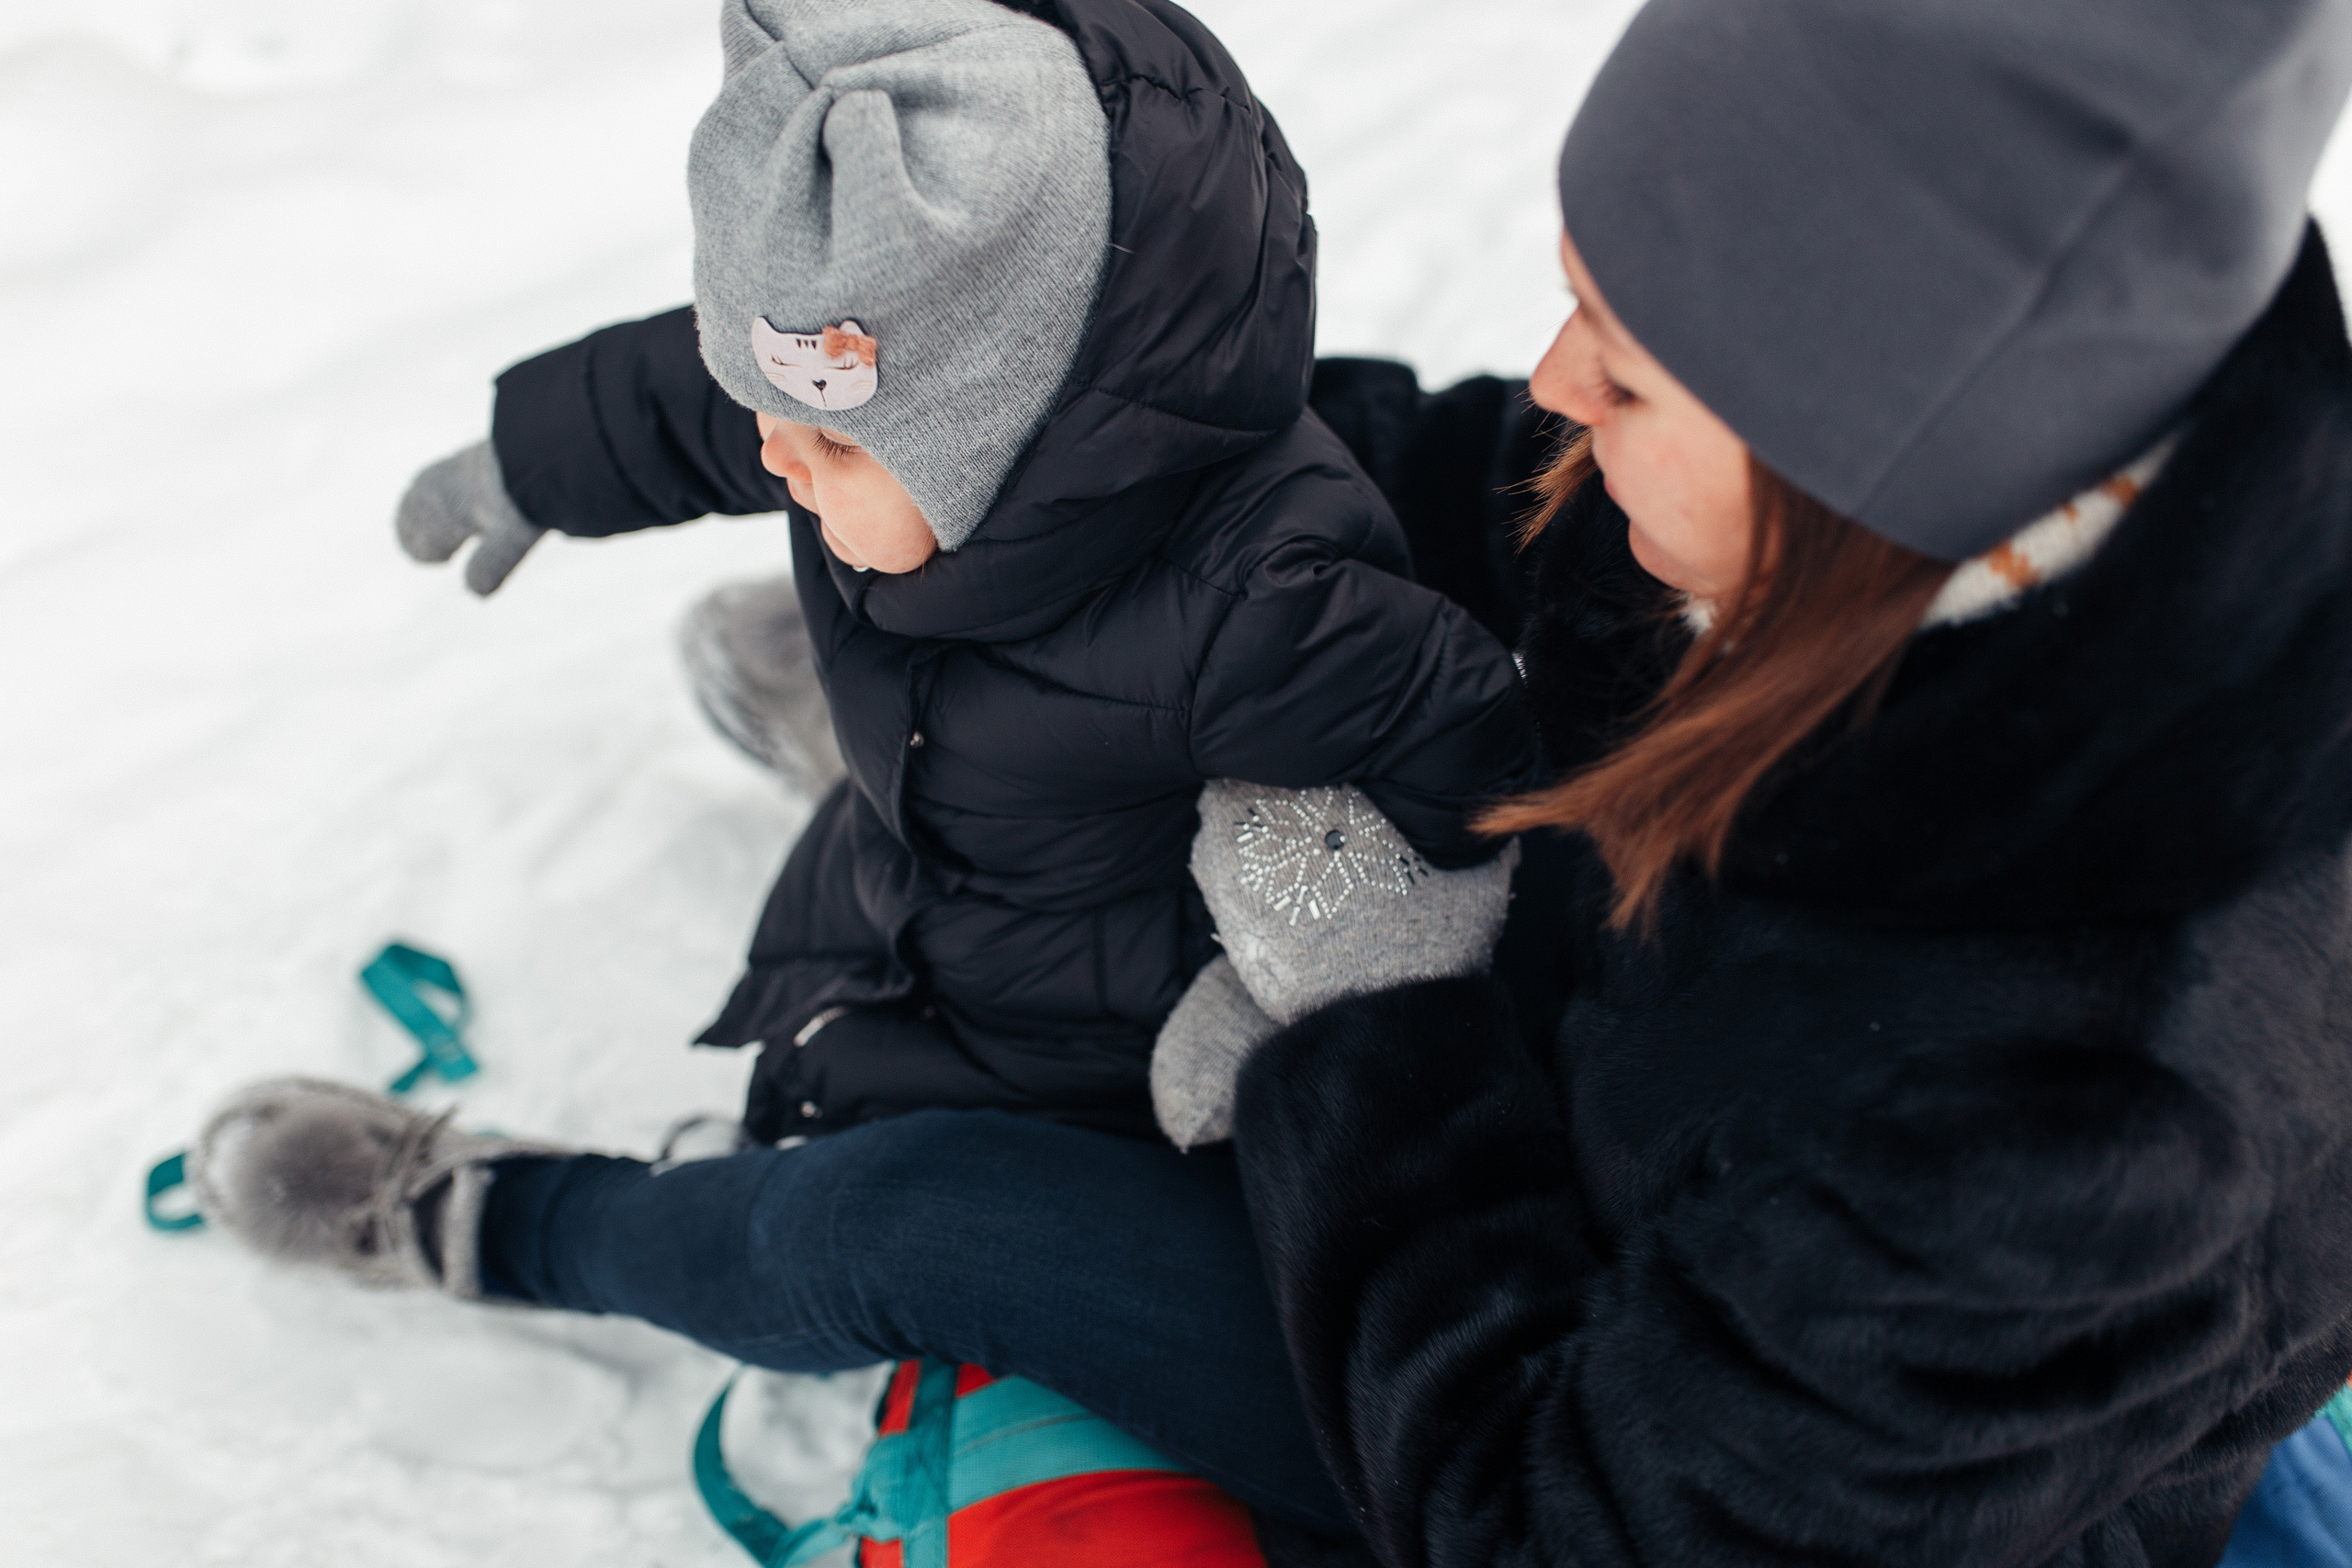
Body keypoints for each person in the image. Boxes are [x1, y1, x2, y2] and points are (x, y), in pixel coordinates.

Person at [187, 0, 2352, 1563]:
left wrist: (1370, 1026)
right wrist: (1056, 507)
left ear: (1874, 488)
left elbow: (1555, 1509)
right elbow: (1499, 483)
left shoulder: (2080, 1127)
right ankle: (967, 738)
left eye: (1633, 357)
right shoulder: (1914, 491)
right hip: (1597, 1046)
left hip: (1599, 1391)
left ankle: (492, 1215)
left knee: (913, 1209)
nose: (1552, 374)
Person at [391, 0, 1536, 1145]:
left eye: (828, 438)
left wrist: (1285, 1004)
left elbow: (1459, 755)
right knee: (859, 914)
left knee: (859, 1137)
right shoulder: (868, 423)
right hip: (917, 842)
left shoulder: (1253, 607)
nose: (771, 454)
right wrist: (534, 461)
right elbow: (707, 397)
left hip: (1089, 1021)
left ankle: (724, 1188)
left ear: (1017, 438)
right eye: (761, 404)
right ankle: (850, 786)